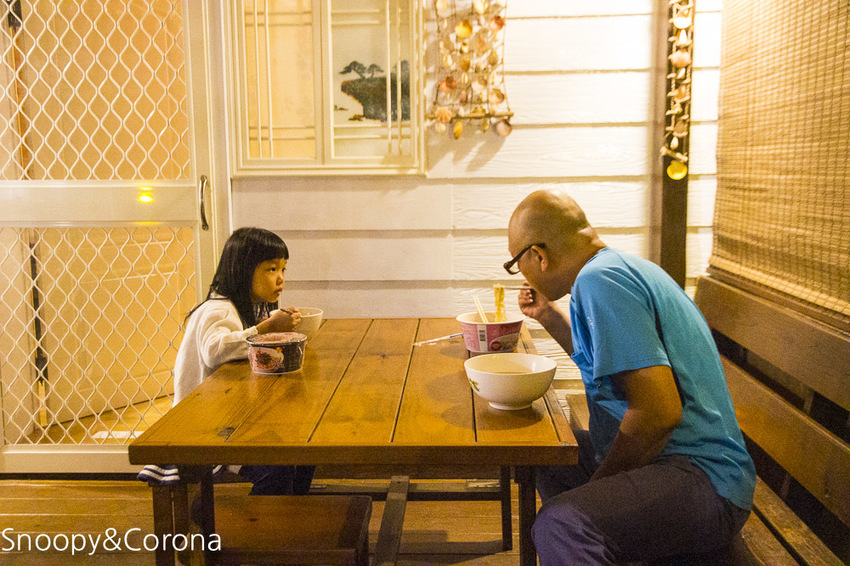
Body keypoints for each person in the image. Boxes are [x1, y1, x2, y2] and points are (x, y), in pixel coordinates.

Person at [506, 190, 755, 564]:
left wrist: (600, 484)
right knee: (545, 449)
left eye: (515, 263)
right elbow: (611, 363)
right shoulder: (614, 270)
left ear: (538, 256)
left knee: (562, 525)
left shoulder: (600, 282)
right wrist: (549, 316)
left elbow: (659, 414)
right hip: (681, 464)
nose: (520, 271)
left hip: (702, 475)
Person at [170, 226, 314, 496]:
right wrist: (266, 329)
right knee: (278, 467)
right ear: (243, 270)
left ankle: (292, 513)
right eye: (271, 270)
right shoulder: (219, 308)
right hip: (205, 428)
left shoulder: (245, 307)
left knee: (305, 448)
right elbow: (215, 350)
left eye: (283, 269)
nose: (280, 278)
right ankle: (263, 524)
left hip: (229, 419)